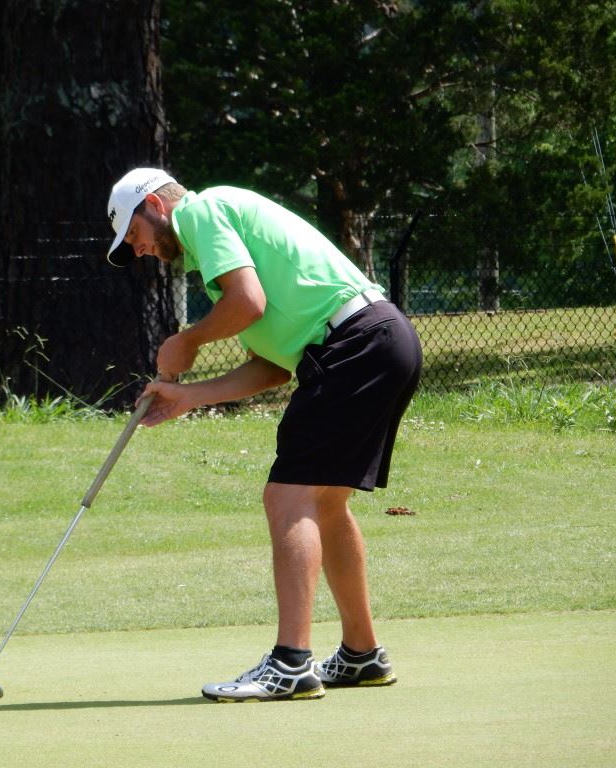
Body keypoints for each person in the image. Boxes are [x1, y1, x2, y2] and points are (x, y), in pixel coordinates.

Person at [104, 168, 423, 702]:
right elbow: (271, 369)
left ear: (155, 205)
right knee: (324, 504)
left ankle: (292, 663)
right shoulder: (220, 266)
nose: (137, 250)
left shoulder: (203, 211)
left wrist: (190, 341)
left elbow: (247, 303)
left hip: (355, 343)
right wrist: (190, 395)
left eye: (133, 235)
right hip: (378, 340)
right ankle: (362, 655)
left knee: (287, 494)